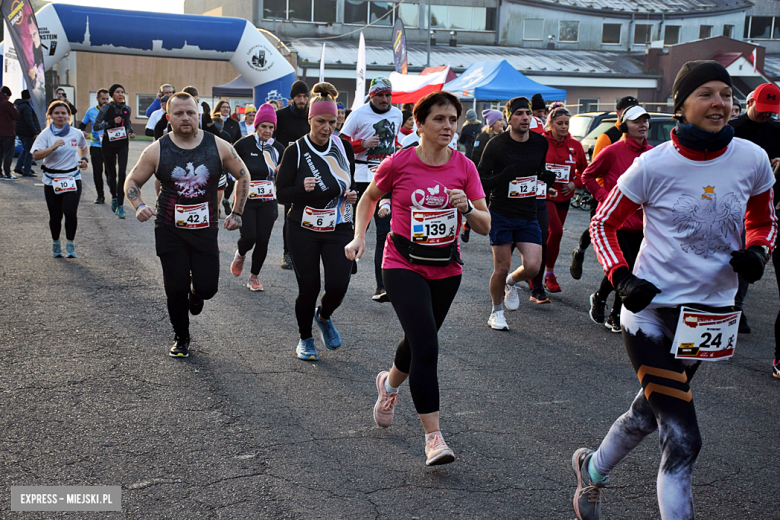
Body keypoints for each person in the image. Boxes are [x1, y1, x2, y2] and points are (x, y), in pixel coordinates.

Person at [573, 60, 776, 520]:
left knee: (649, 414)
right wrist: (621, 278)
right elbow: (603, 222)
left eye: (726, 93)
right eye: (706, 93)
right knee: (683, 438)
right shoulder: (652, 164)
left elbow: (764, 220)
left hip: (707, 318)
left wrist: (759, 250)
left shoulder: (752, 158)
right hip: (650, 313)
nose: (719, 102)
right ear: (682, 105)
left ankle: (592, 468)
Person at [345, 91, 490, 466]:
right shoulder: (399, 163)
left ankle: (388, 385)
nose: (448, 126)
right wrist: (360, 235)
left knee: (417, 340)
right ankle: (433, 438)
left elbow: (486, 224)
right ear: (419, 124)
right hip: (402, 263)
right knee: (427, 346)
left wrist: (468, 208)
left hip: (447, 267)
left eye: (453, 119)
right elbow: (368, 198)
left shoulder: (465, 167)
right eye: (440, 119)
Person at [124, 92, 250, 358]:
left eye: (190, 113)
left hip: (205, 230)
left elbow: (243, 175)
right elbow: (132, 181)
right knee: (175, 288)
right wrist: (140, 205)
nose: (185, 118)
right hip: (169, 230)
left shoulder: (218, 145)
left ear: (199, 115)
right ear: (168, 118)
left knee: (207, 288)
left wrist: (237, 212)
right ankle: (181, 336)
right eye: (179, 113)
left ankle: (197, 291)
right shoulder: (157, 149)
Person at [276, 82, 357, 361]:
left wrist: (353, 194)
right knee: (308, 287)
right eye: (321, 121)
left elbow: (351, 181)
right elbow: (280, 193)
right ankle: (305, 338)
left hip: (339, 226)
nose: (327, 127)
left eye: (332, 122)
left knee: (338, 285)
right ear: (310, 119)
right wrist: (302, 189)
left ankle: (323, 316)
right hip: (303, 228)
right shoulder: (296, 151)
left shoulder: (344, 148)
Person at [478, 97, 553, 330]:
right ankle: (496, 312)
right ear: (508, 117)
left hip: (528, 212)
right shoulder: (496, 145)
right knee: (501, 267)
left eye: (527, 113)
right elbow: (479, 181)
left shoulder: (540, 143)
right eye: (519, 113)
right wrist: (501, 179)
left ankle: (511, 282)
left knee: (533, 266)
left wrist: (544, 176)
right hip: (501, 212)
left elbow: (538, 170)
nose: (525, 117)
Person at [581, 106, 652, 333]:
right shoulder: (612, 151)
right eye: (636, 121)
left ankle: (601, 297)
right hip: (616, 223)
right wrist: (604, 197)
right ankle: (615, 315)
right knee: (627, 268)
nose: (642, 125)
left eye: (645, 121)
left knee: (633, 270)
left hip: (642, 225)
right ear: (623, 126)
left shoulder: (652, 153)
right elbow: (587, 175)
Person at [339, 76, 403, 303]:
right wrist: (362, 145)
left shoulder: (397, 113)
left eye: (388, 95)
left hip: (385, 177)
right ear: (372, 95)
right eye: (381, 96)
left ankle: (382, 286)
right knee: (355, 228)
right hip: (361, 176)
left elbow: (395, 139)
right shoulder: (358, 114)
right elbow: (341, 143)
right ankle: (347, 263)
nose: (385, 100)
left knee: (385, 233)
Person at [728, 82, 780, 339]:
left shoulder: (777, 130)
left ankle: (737, 307)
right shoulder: (733, 130)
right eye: (763, 109)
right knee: (737, 256)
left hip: (769, 205)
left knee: (754, 255)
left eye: (772, 110)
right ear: (749, 104)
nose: (767, 114)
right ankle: (733, 307)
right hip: (736, 205)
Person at [570, 96, 639, 281]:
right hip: (606, 196)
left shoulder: (643, 143)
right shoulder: (607, 137)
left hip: (630, 200)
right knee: (595, 229)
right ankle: (580, 251)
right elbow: (596, 171)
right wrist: (604, 197)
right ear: (620, 114)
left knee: (626, 253)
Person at [229, 103, 285, 291]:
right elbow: (228, 163)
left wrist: (281, 172)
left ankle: (254, 276)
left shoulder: (278, 148)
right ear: (256, 126)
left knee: (263, 239)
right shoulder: (244, 144)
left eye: (271, 127)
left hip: (268, 200)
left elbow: (287, 173)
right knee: (249, 236)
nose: (267, 131)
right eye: (264, 126)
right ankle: (241, 253)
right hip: (246, 200)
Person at [32, 101, 89, 258]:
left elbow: (83, 146)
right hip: (52, 179)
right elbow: (35, 155)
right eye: (57, 113)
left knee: (70, 212)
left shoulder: (76, 133)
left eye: (63, 113)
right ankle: (56, 243)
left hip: (72, 177)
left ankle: (70, 245)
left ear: (68, 116)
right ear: (50, 115)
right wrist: (52, 148)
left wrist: (85, 160)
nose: (60, 116)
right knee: (55, 215)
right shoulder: (46, 134)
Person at [542, 103, 587, 293]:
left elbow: (585, 172)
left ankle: (540, 271)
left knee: (553, 236)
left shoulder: (575, 145)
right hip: (544, 195)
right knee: (556, 232)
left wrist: (574, 184)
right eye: (559, 123)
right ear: (550, 124)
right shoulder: (541, 142)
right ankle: (546, 273)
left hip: (565, 196)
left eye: (567, 123)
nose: (564, 127)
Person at [274, 80, 311, 270]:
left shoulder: (313, 116)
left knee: (309, 212)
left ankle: (305, 252)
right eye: (298, 96)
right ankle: (287, 253)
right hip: (287, 171)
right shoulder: (280, 116)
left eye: (305, 96)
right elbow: (271, 140)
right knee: (290, 213)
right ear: (292, 98)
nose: (302, 100)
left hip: (310, 170)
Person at [93, 83, 135, 219]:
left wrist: (131, 131)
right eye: (118, 92)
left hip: (122, 143)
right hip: (108, 143)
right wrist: (110, 122)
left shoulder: (127, 108)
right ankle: (114, 197)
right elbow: (96, 125)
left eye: (122, 92)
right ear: (112, 95)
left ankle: (121, 206)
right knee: (112, 174)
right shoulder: (106, 107)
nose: (121, 94)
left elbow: (127, 123)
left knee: (122, 172)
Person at [78, 88, 109, 203]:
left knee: (109, 172)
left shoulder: (112, 110)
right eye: (103, 99)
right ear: (97, 99)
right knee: (97, 171)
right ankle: (100, 196)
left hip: (109, 146)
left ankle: (114, 194)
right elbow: (82, 125)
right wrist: (82, 131)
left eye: (107, 99)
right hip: (96, 145)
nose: (106, 101)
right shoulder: (91, 111)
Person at [14, 90, 41, 178]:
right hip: (27, 132)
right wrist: (35, 132)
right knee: (30, 151)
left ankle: (18, 166)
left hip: (21, 131)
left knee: (25, 149)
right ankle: (27, 169)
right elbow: (29, 121)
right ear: (30, 97)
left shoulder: (19, 105)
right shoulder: (27, 107)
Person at [0, 87, 19, 180]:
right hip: (7, 132)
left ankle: (0, 173)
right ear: (7, 95)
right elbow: (16, 115)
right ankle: (7, 173)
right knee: (8, 153)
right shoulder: (7, 103)